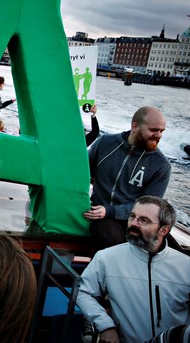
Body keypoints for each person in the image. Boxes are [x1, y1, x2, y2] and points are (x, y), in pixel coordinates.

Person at [77, 196, 190, 343]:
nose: (133, 223)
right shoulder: (106, 258)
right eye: (132, 216)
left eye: (143, 220)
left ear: (163, 230)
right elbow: (84, 293)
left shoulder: (186, 267)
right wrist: (105, 326)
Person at [83, 106, 174, 250]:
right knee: (110, 239)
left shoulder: (161, 165)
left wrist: (111, 211)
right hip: (102, 215)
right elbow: (83, 172)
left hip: (138, 219)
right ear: (135, 126)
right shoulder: (106, 143)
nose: (158, 135)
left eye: (161, 131)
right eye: (153, 130)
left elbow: (149, 206)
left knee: (175, 251)